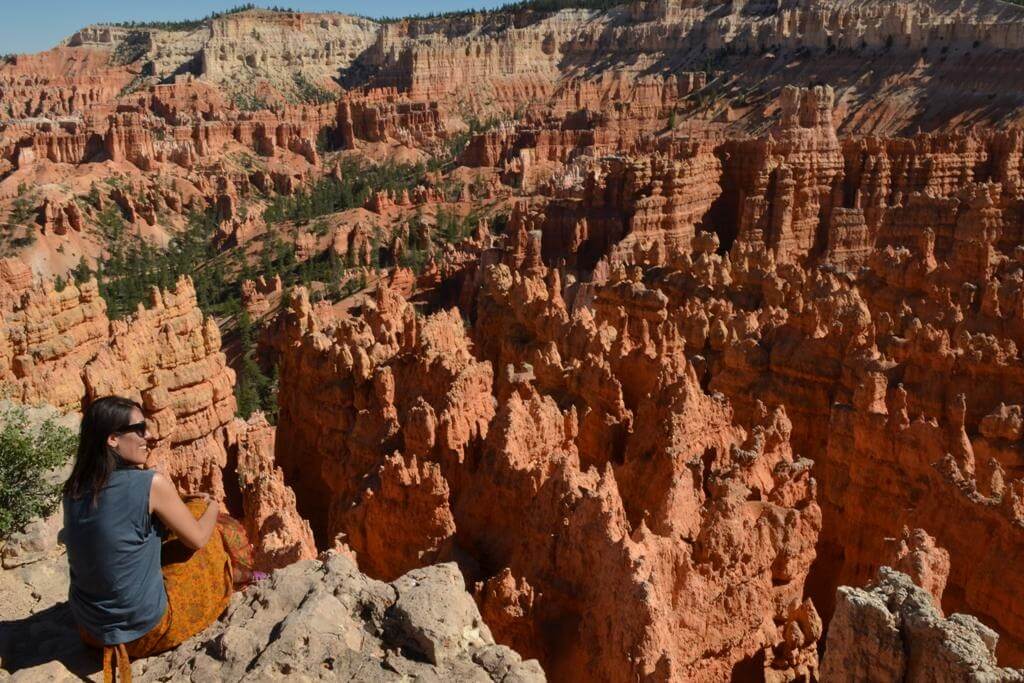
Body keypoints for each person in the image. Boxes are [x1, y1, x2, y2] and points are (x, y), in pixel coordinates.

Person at [62, 396, 254, 682]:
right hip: (146, 632)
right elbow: (198, 539)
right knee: (206, 524)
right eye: (139, 429)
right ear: (113, 439)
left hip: (91, 631)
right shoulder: (150, 484)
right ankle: (242, 577)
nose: (149, 436)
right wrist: (213, 504)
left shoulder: (73, 489)